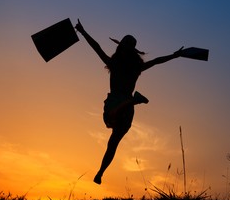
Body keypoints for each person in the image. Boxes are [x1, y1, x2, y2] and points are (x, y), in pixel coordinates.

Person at [75, 19, 184, 185]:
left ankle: (100, 172)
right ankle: (100, 173)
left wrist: (83, 32)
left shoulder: (118, 64)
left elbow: (97, 47)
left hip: (116, 103)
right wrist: (175, 55)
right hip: (125, 105)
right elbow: (156, 61)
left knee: (112, 135)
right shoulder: (132, 67)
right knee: (112, 143)